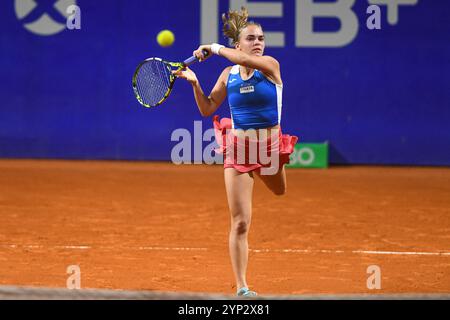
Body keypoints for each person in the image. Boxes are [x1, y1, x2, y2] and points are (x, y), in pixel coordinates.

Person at [174, 7, 298, 297]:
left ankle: (267, 170)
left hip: (268, 151)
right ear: (238, 44)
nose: (258, 43)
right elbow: (207, 108)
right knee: (240, 222)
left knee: (280, 191)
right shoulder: (228, 75)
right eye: (251, 38)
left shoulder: (270, 66)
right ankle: (242, 286)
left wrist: (213, 47)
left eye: (261, 38)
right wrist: (194, 83)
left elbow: (243, 60)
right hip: (239, 151)